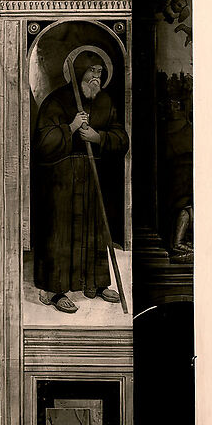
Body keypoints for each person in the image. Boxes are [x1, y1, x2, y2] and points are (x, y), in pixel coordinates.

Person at [33, 46, 127, 312]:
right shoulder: (56, 100)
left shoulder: (105, 102)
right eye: (91, 71)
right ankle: (55, 290)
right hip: (61, 179)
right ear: (77, 72)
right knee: (62, 232)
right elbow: (42, 143)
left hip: (92, 175)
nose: (96, 77)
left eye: (100, 72)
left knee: (94, 231)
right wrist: (71, 128)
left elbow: (122, 138)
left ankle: (95, 283)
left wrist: (99, 137)